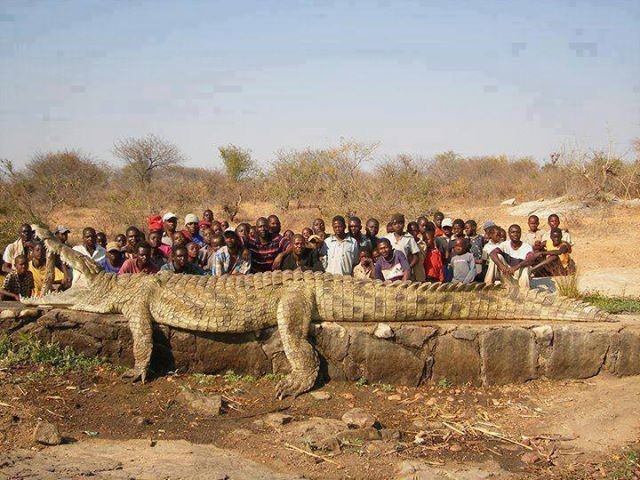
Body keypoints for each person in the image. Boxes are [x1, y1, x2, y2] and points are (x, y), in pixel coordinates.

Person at [486, 224, 535, 289]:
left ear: (520, 234)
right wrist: (501, 266)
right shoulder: (504, 244)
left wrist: (516, 267)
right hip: (507, 275)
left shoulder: (527, 247)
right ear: (509, 234)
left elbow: (530, 259)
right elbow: (492, 253)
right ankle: (488, 285)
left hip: (520, 277)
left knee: (525, 268)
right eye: (513, 232)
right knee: (497, 257)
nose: (515, 234)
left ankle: (525, 290)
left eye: (518, 232)